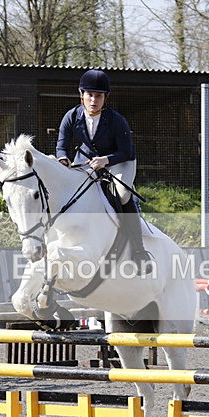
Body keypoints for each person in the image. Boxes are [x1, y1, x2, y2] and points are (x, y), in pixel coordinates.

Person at [56, 69, 151, 273]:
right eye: (89, 95)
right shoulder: (71, 116)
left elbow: (127, 151)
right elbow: (61, 146)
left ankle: (138, 250)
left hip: (119, 161)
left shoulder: (116, 120)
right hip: (87, 161)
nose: (93, 100)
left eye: (98, 96)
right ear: (81, 94)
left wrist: (106, 160)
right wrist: (63, 160)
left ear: (105, 98)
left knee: (123, 195)